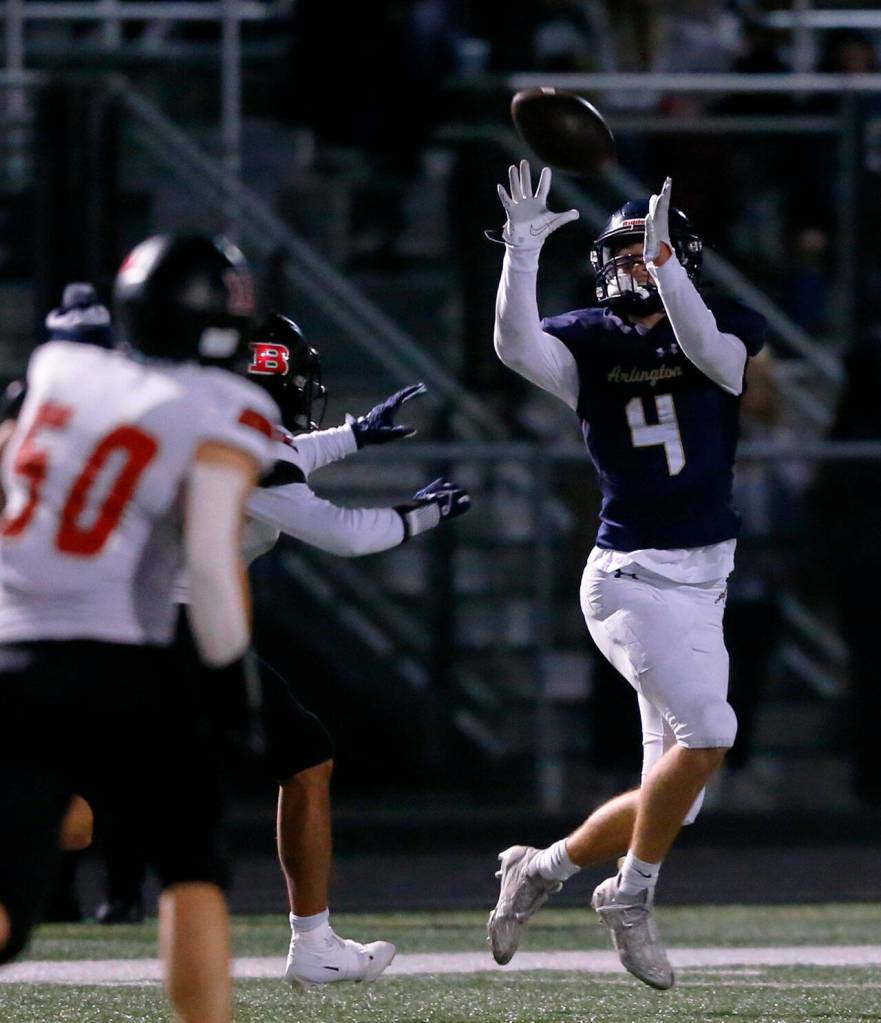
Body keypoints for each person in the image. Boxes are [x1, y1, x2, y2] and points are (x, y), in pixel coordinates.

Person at [90, 313, 472, 988]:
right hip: (172, 626)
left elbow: (275, 455)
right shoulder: (246, 440)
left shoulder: (191, 414)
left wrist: (350, 437)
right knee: (282, 764)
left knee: (110, 793)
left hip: (120, 615)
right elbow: (344, 533)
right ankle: (314, 943)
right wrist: (423, 513)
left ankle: (315, 942)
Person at [487, 162, 766, 989]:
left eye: (646, 252)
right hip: (630, 577)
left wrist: (668, 267)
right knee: (710, 734)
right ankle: (628, 896)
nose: (632, 265)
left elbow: (710, 355)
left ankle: (541, 866)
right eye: (626, 253)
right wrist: (520, 254)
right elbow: (514, 346)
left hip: (702, 583)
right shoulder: (591, 338)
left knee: (680, 792)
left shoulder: (723, 325)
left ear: (677, 257)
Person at [0, 234, 279, 1023]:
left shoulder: (59, 368)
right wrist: (232, 686)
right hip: (117, 658)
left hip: (7, 649)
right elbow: (211, 562)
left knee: (8, 908)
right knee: (192, 864)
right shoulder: (228, 407)